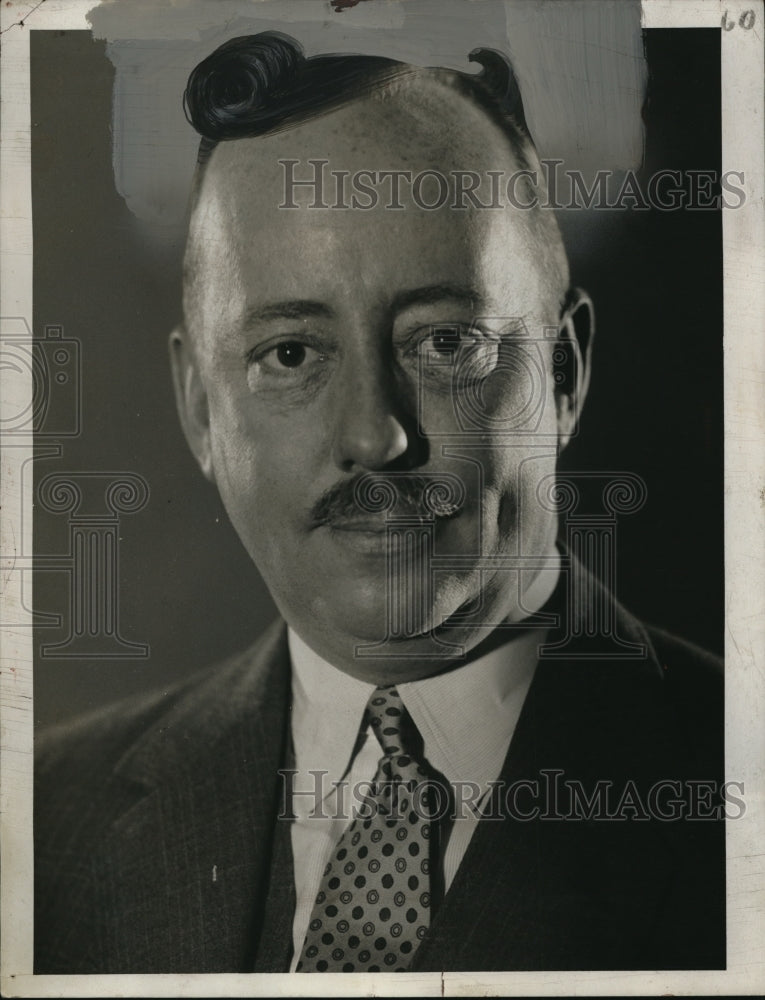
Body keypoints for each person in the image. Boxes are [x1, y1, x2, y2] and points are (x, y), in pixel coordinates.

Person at [35, 32, 724, 974]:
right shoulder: (39, 823)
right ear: (200, 408)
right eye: (289, 354)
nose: (375, 436)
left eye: (443, 343)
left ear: (561, 375)